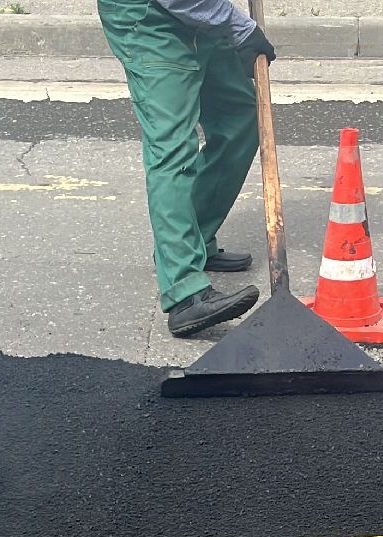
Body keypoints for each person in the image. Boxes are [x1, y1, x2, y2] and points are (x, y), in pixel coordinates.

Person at [99, 0, 276, 337]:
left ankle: (195, 240)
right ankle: (184, 293)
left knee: (241, 118)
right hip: (151, 22)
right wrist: (238, 26)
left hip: (199, 16)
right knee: (172, 151)